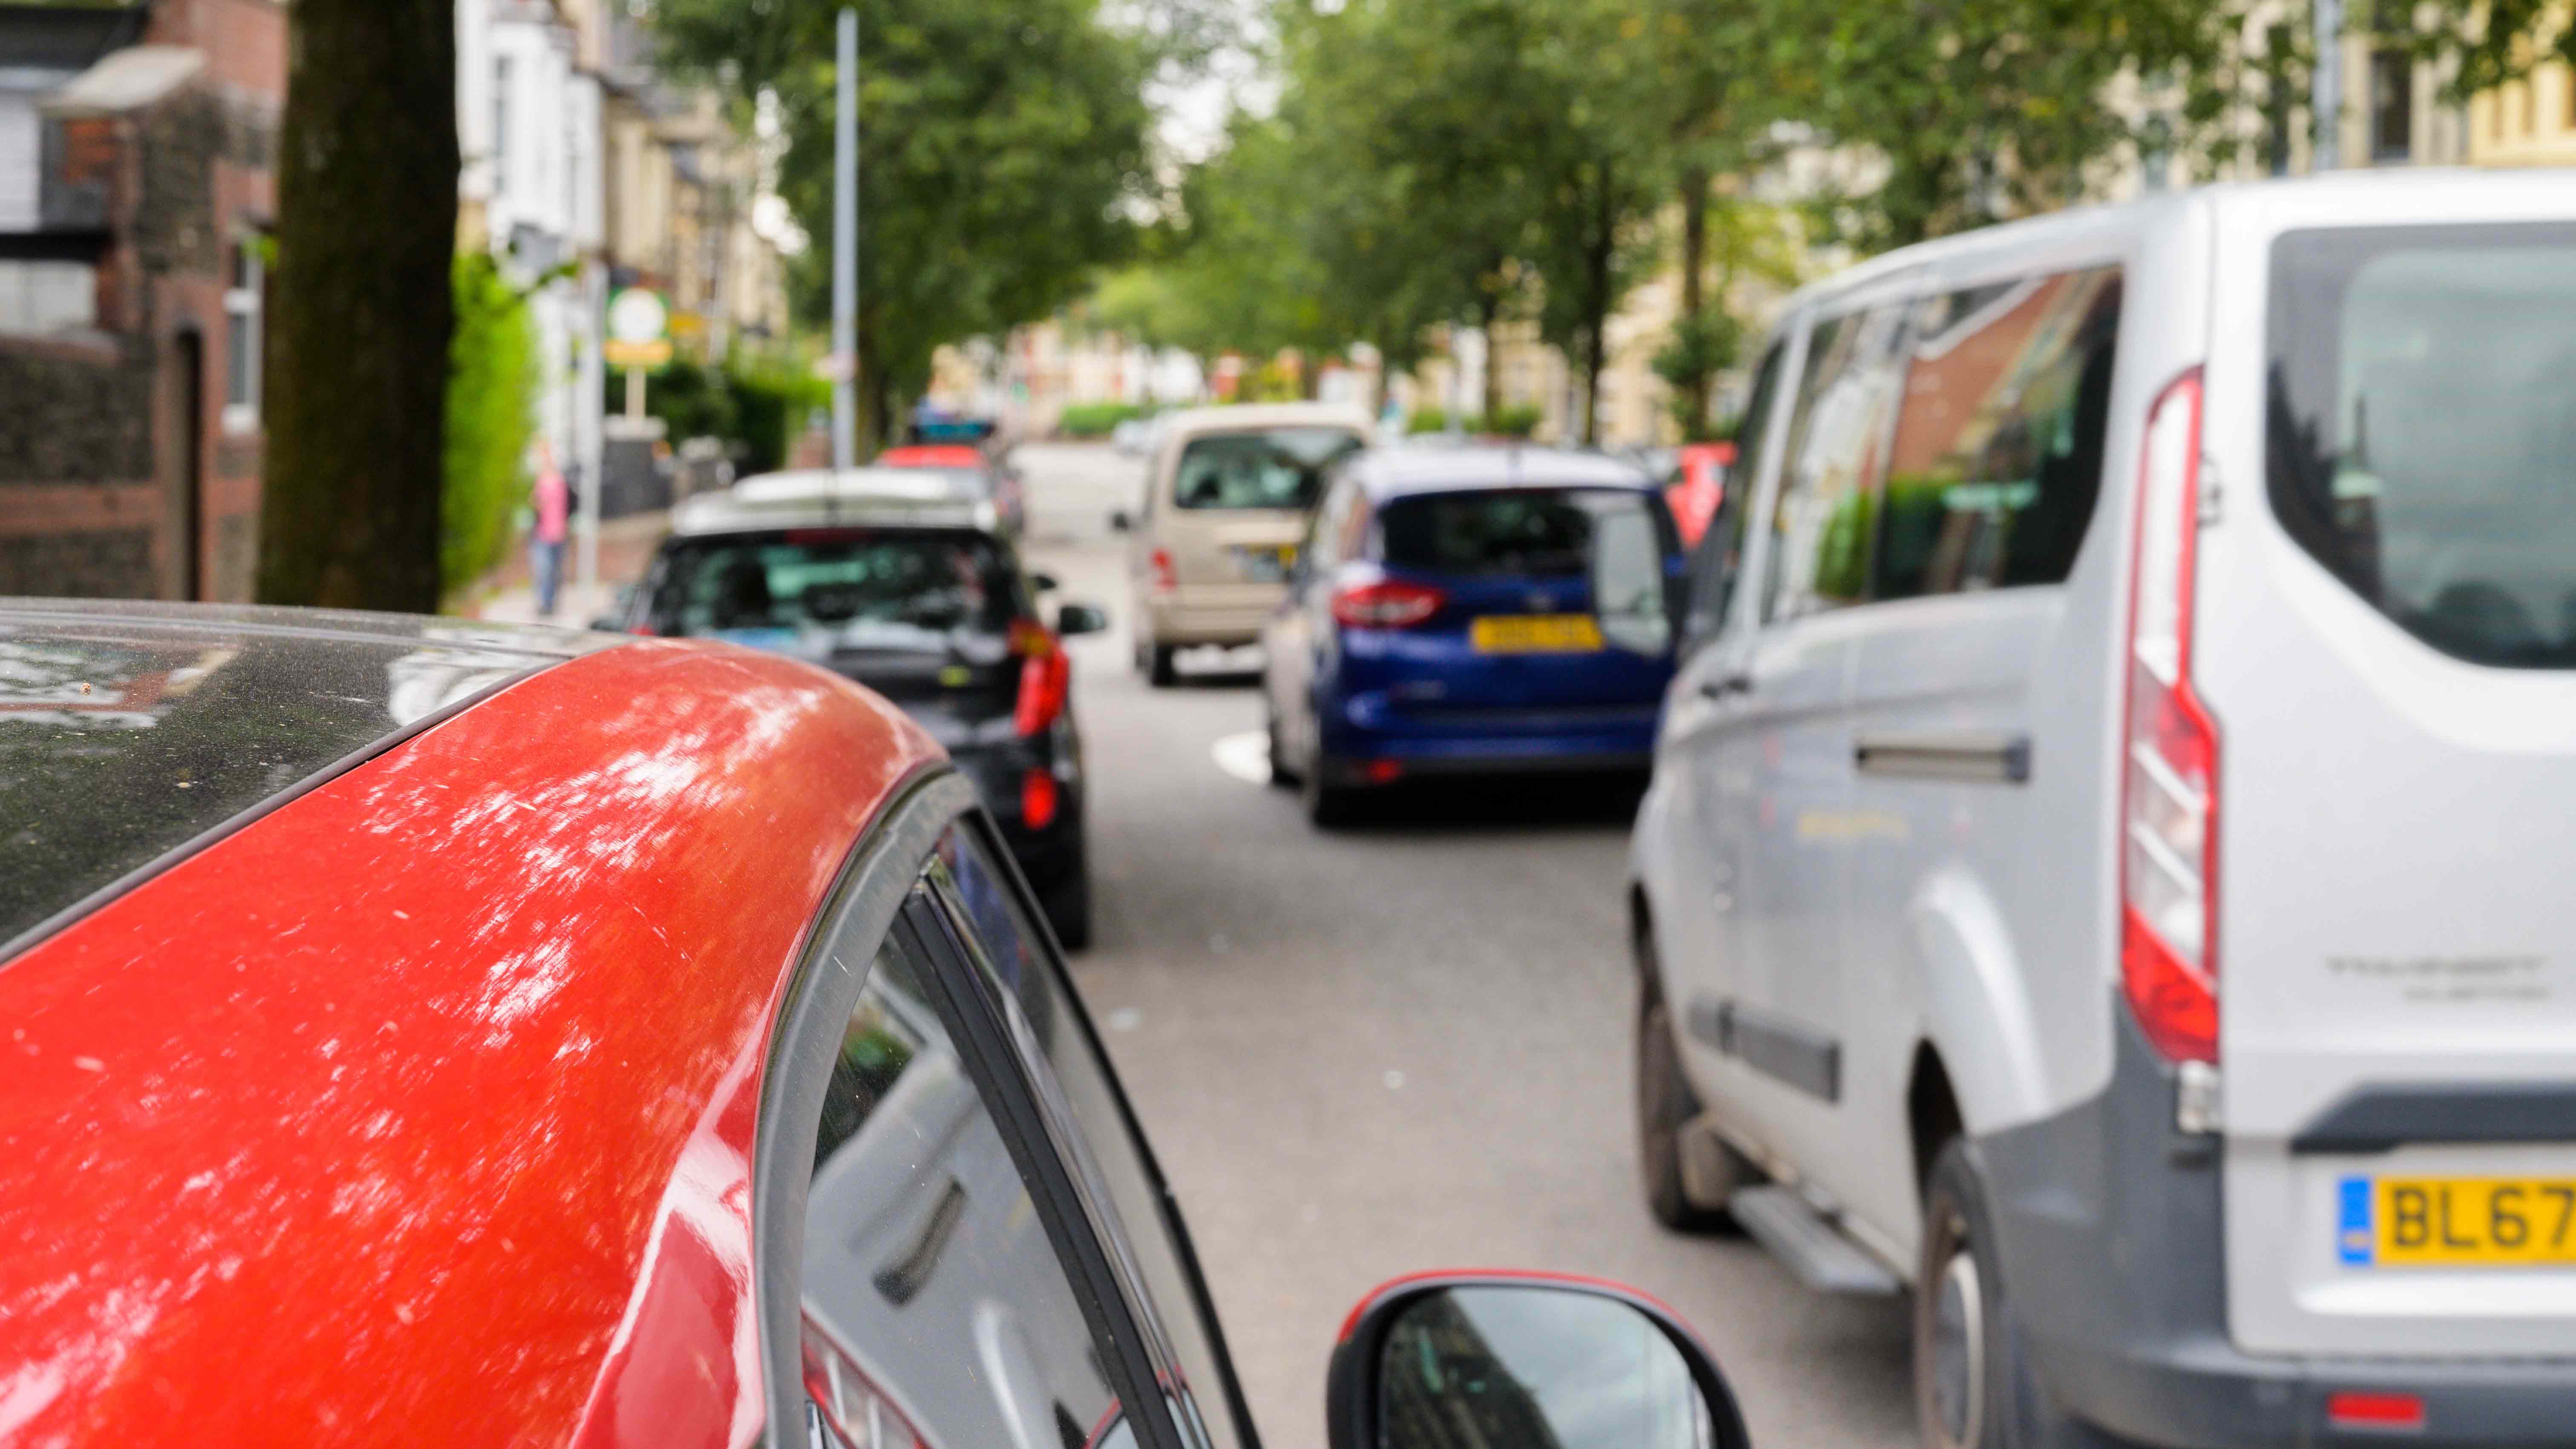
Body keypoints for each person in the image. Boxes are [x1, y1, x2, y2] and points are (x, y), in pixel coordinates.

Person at [530, 445, 572, 618]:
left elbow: (569, 506)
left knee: (556, 571)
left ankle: (553, 603)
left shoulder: (563, 482)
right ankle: (545, 604)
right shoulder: (540, 482)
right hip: (543, 534)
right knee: (544, 570)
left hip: (560, 533)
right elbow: (535, 504)